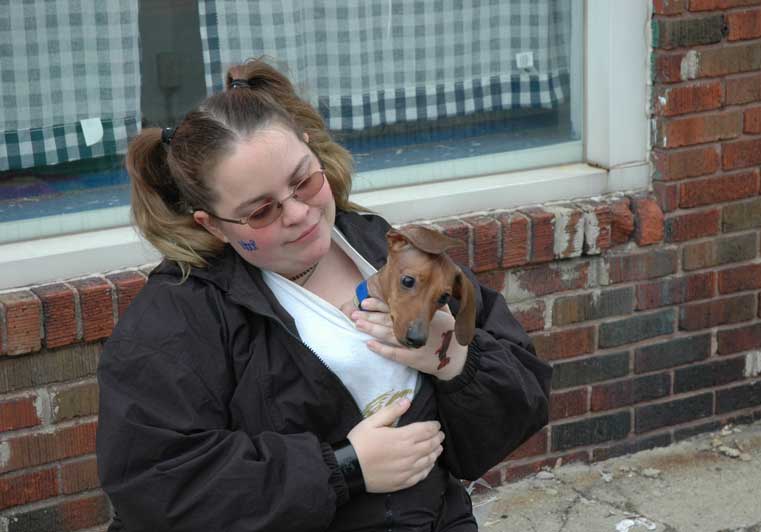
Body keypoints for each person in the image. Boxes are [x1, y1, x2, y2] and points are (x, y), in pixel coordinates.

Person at [96, 58, 552, 532]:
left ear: (314, 152)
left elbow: (523, 395)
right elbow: (154, 482)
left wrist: (455, 359)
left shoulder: (381, 246)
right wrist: (344, 469)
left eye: (304, 181)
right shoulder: (178, 314)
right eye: (261, 211)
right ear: (212, 225)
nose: (298, 213)